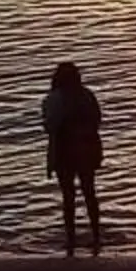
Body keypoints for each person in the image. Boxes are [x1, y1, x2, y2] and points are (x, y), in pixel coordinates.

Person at [42, 62, 106, 256]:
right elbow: (97, 121)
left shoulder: (53, 99)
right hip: (86, 149)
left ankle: (71, 241)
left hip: (64, 151)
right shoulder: (87, 95)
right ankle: (96, 237)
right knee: (90, 194)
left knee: (68, 197)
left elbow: (49, 127)